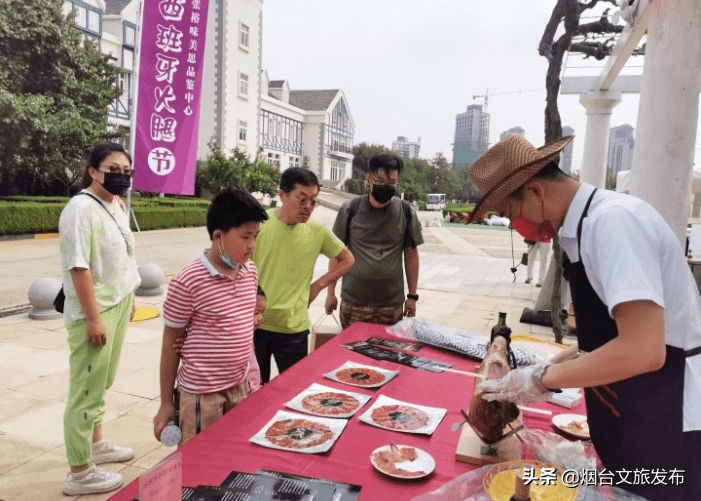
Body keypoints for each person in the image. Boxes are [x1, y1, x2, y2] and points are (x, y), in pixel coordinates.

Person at [469, 134, 701, 501]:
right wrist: (545, 368)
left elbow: (643, 349)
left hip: (666, 414)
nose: (517, 226)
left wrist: (544, 379)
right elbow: (609, 335)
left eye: (511, 215)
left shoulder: (612, 224)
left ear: (534, 192)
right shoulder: (584, 227)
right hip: (634, 407)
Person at [152, 189, 268, 446]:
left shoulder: (249, 271)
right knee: (200, 460)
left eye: (256, 237)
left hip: (239, 386)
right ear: (218, 236)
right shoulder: (188, 281)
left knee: (235, 454)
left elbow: (241, 329)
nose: (252, 245)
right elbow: (170, 345)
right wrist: (164, 403)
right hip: (202, 396)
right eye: (246, 237)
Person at [59, 143, 141, 496]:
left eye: (126, 171)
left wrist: (130, 295)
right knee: (85, 390)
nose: (120, 176)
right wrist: (94, 319)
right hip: (96, 310)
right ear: (92, 170)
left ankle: (96, 443)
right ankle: (79, 471)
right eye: (112, 169)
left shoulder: (115, 203)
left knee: (102, 381)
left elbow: (122, 255)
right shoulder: (79, 209)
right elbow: (79, 266)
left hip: (117, 302)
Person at [252, 167, 354, 384]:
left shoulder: (318, 231)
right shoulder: (258, 225)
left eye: (313, 201)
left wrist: (318, 285)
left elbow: (348, 259)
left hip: (293, 328)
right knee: (253, 393)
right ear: (282, 195)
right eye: (301, 199)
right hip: (255, 327)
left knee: (292, 389)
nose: (308, 207)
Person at [325, 154, 423, 329]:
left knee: (387, 355)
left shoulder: (406, 212)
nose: (385, 186)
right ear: (368, 179)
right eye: (380, 180)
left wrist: (412, 297)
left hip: (391, 306)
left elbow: (411, 255)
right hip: (354, 304)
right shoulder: (350, 210)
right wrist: (330, 293)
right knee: (351, 354)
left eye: (391, 182)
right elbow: (336, 253)